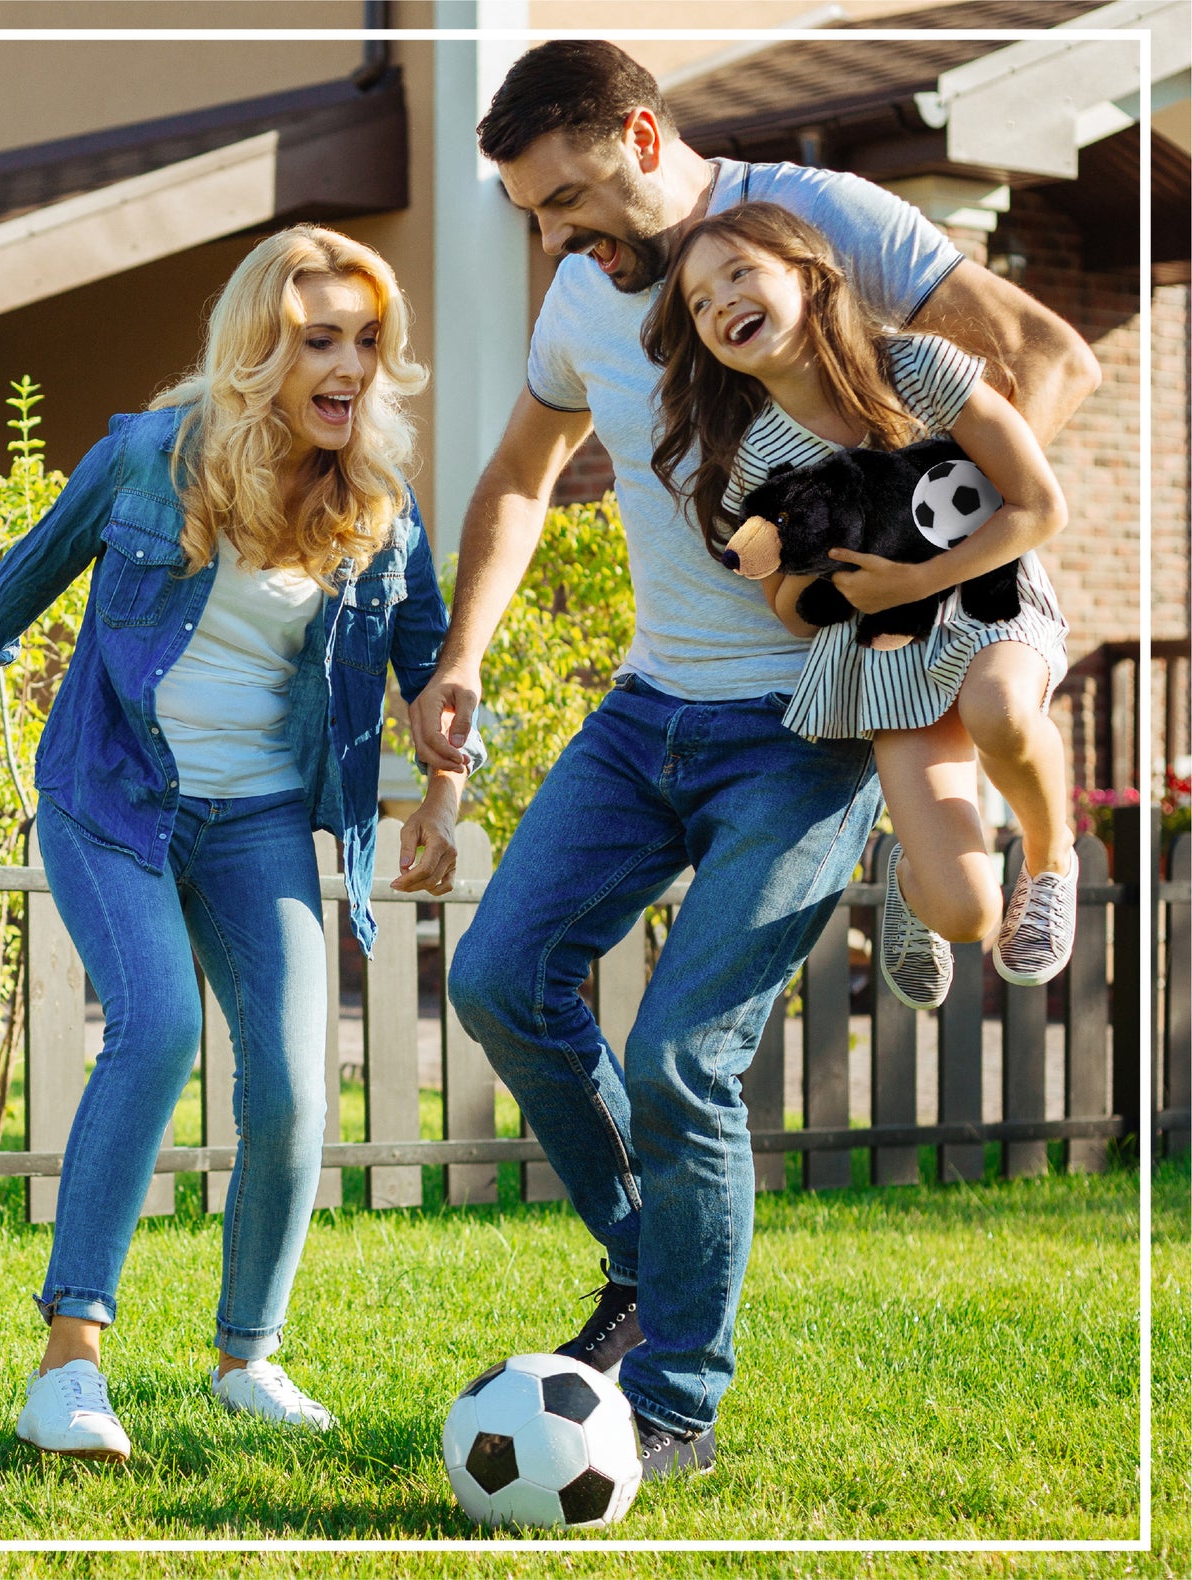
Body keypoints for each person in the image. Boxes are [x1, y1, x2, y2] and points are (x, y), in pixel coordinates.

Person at [409, 40, 1098, 1478]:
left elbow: (1045, 358)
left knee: (680, 1058)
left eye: (570, 200)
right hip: (647, 708)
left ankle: (673, 1405)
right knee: (496, 981)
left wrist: (914, 558)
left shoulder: (827, 221)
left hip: (812, 720)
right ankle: (649, 1272)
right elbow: (522, 478)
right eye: (535, 214)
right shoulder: (586, 291)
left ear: (643, 136)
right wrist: (461, 656)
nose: (555, 239)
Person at [0, 225, 481, 1464]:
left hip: (258, 817)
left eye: (368, 343)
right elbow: (30, 569)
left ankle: (246, 1356)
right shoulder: (149, 456)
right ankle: (68, 1368)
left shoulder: (375, 501)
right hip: (114, 795)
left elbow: (430, 664)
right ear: (258, 349)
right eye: (320, 340)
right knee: (154, 1027)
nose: (350, 367)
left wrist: (441, 791)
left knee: (294, 1081)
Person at [643, 202, 1077, 1008]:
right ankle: (915, 884)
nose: (719, 302)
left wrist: (917, 579)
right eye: (698, 303)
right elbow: (789, 610)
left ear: (809, 276)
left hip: (988, 604)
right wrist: (828, 585)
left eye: (739, 273)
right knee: (964, 912)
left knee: (998, 708)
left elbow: (1038, 506)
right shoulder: (759, 461)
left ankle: (1052, 861)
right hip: (881, 657)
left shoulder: (915, 367)